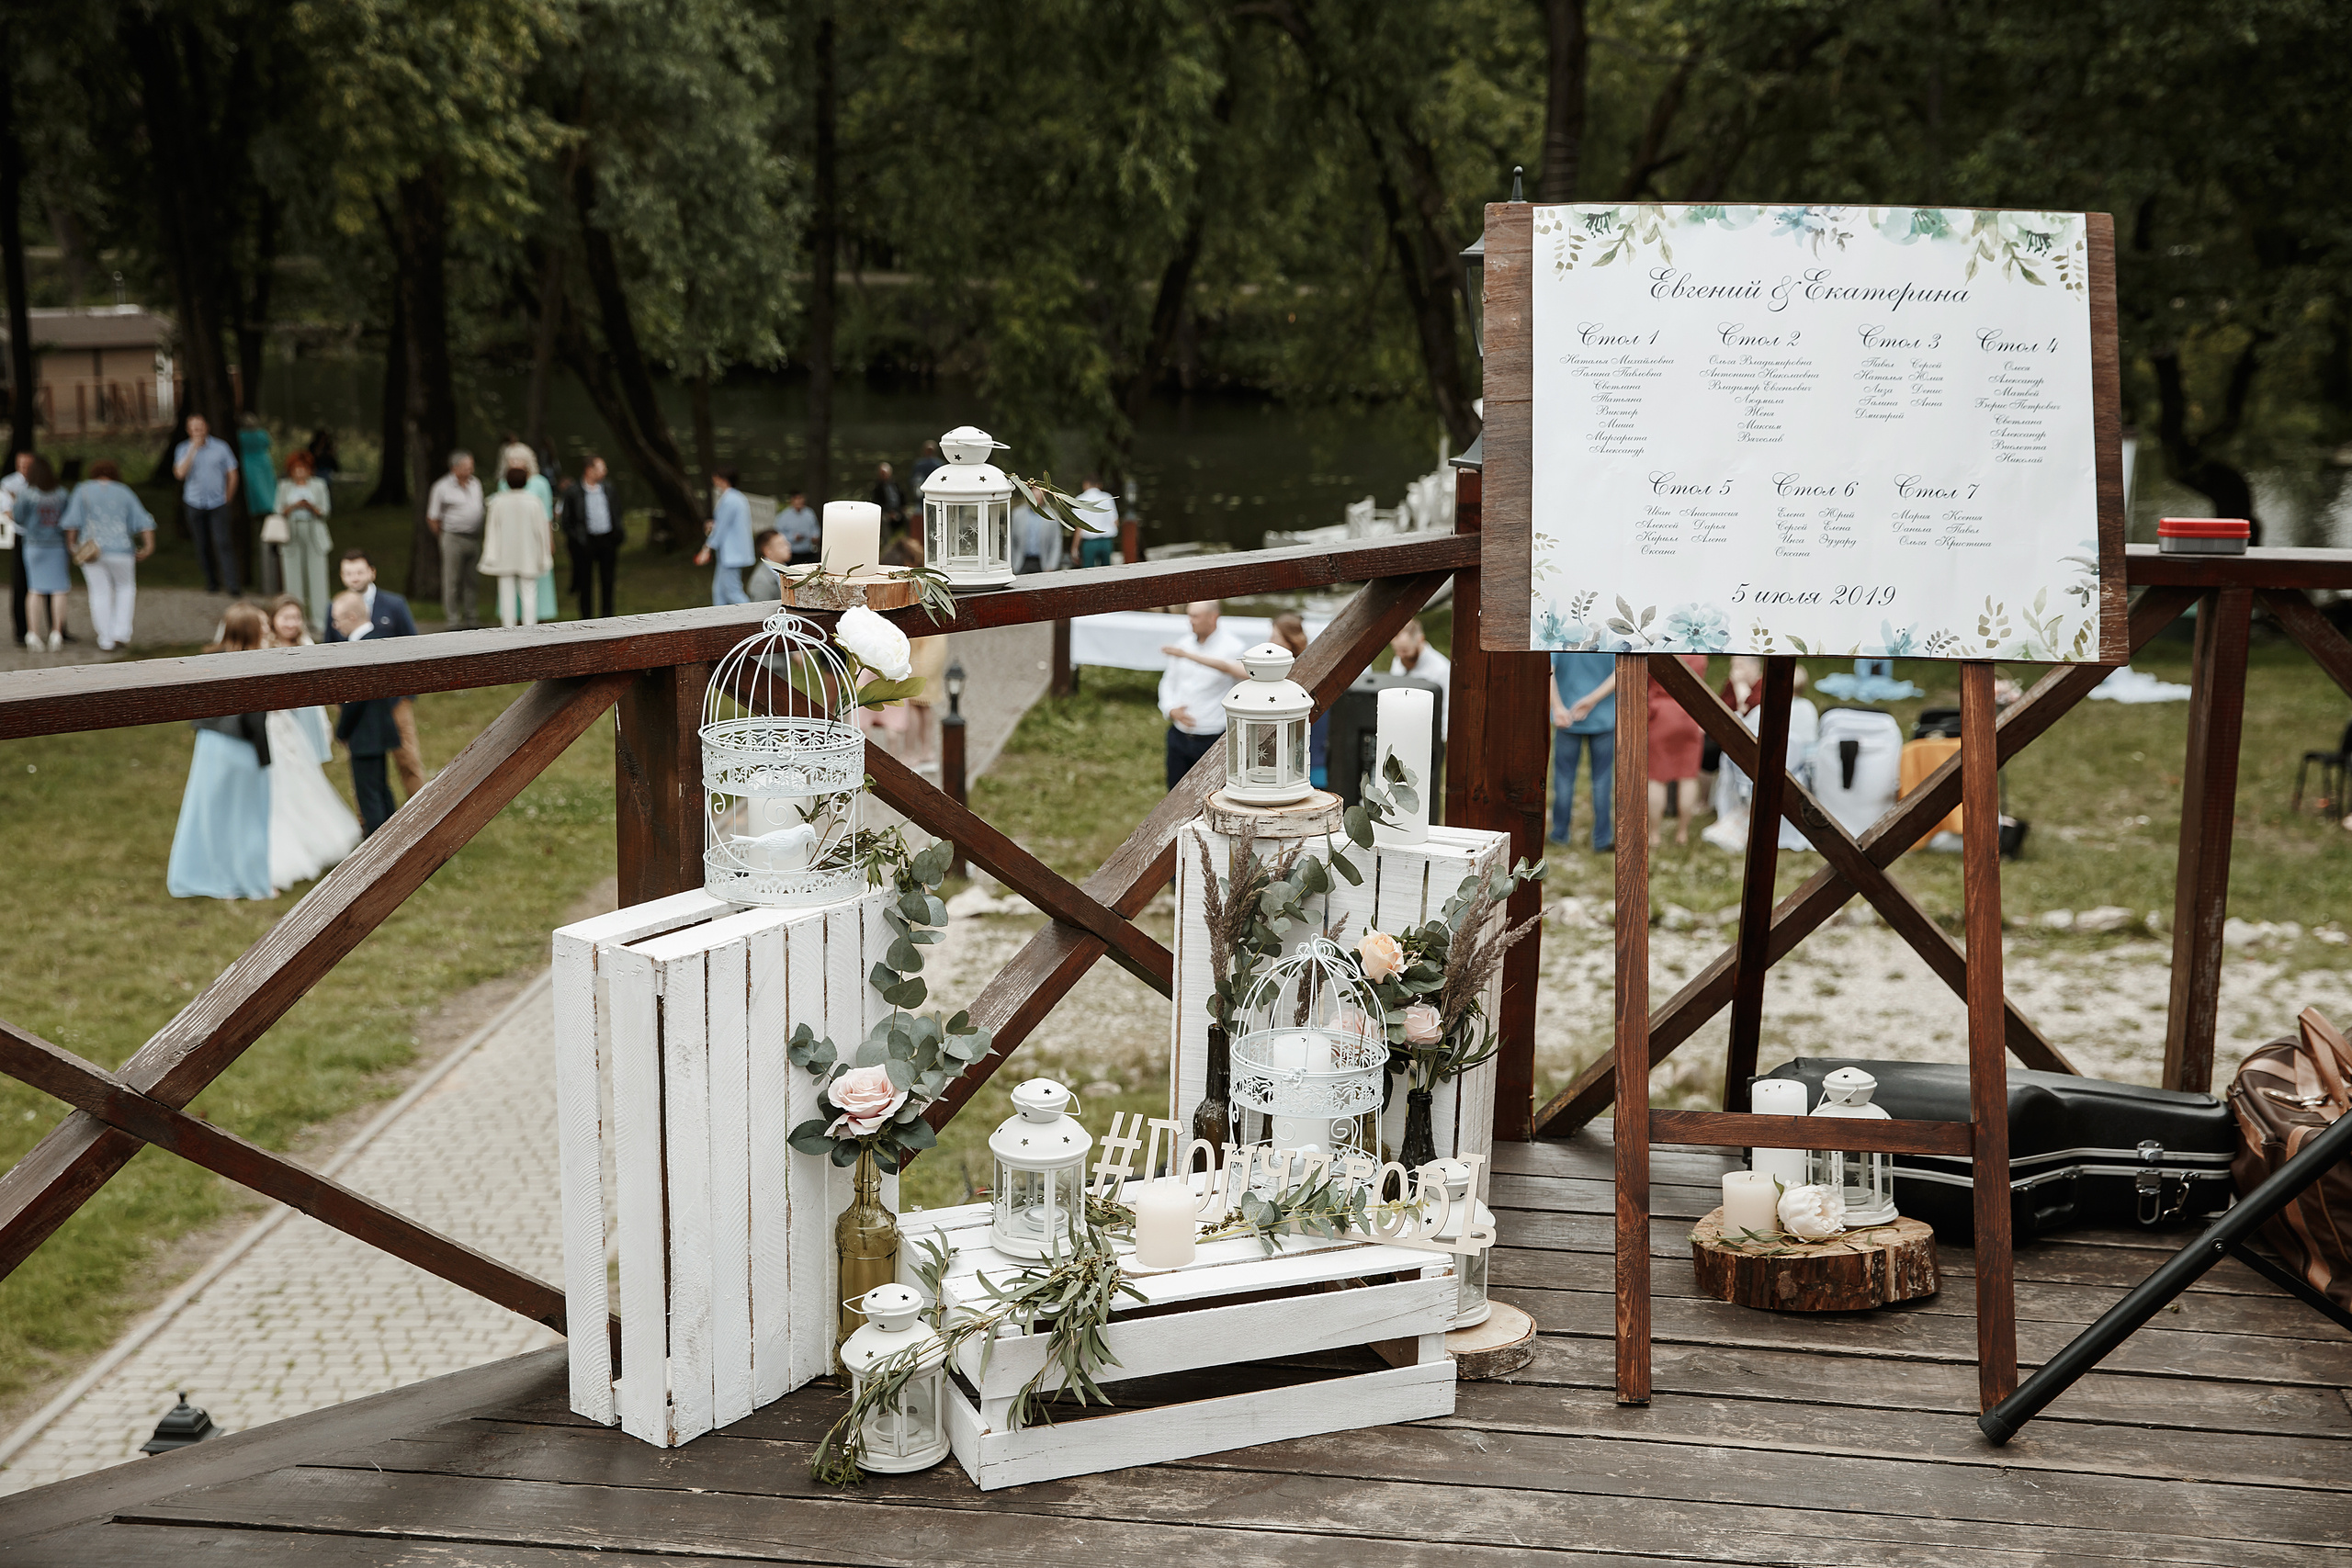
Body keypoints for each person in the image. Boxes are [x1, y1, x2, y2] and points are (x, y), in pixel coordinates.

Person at [166, 602, 275, 899]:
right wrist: (265, 758)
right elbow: (255, 718)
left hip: (210, 745)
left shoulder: (207, 659)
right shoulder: (256, 664)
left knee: (208, 812)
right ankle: (252, 882)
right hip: (241, 748)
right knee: (247, 817)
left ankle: (202, 875)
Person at [264, 595, 362, 886]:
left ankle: (318, 835)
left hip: (306, 715)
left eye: (296, 617)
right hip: (281, 722)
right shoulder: (266, 648)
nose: (292, 624)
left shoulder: (307, 645)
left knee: (311, 773)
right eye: (286, 618)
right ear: (273, 620)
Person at [324, 548, 424, 801]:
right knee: (363, 768)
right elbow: (329, 652)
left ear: (372, 572)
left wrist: (405, 692)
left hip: (393, 700)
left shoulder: (394, 605)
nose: (354, 578)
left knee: (408, 759)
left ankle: (423, 813)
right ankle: (368, 821)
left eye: (359, 571)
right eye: (348, 573)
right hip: (356, 704)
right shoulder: (334, 608)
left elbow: (413, 647)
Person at [60, 459, 155, 653]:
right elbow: (144, 520)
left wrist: (72, 546)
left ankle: (106, 638)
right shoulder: (124, 491)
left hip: (92, 551)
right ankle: (121, 632)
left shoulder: (82, 490)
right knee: (126, 588)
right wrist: (148, 546)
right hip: (122, 549)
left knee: (99, 592)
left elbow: (71, 522)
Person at [331, 591, 404, 836]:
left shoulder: (360, 648)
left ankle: (377, 843)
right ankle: (393, 835)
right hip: (382, 728)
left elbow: (356, 699)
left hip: (364, 732)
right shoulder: (380, 639)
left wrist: (342, 731)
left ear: (351, 617)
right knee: (382, 787)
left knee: (368, 793)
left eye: (337, 620)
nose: (335, 625)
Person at [1158, 599, 1250, 789]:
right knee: (1175, 791)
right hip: (1179, 735)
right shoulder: (1183, 644)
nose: (1190, 620)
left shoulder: (1233, 647)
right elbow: (1168, 681)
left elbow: (1243, 687)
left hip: (1213, 738)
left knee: (1210, 794)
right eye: (1189, 615)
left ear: (1213, 617)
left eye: (1195, 616)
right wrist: (1170, 709)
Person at [1549, 650, 1616, 850]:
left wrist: (1557, 707)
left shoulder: (1561, 630)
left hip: (1566, 717)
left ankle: (1560, 834)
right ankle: (1603, 838)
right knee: (1602, 780)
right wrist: (1592, 700)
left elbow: (1548, 671)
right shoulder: (1609, 631)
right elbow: (1619, 673)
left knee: (1563, 778)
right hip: (1603, 716)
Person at [175, 412, 243, 594]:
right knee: (202, 544)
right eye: (194, 428)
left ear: (207, 427)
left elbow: (233, 472)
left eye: (200, 427)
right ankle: (212, 582)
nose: (198, 431)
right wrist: (192, 450)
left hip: (217, 503)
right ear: (189, 430)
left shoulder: (221, 447)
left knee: (223, 542)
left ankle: (233, 585)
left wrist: (228, 496)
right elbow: (180, 473)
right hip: (194, 502)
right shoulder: (183, 449)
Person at [1648, 652, 1711, 847]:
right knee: (1688, 775)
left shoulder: (1659, 649)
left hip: (1661, 712)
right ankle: (1682, 833)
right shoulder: (1699, 652)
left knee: (1656, 777)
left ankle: (1654, 835)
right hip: (1690, 712)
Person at [481, 465, 554, 626]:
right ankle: (530, 629)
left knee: (506, 593)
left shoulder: (498, 501)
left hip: (505, 554)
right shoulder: (534, 502)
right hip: (528, 553)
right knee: (529, 592)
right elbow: (541, 532)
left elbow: (492, 530)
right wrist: (544, 554)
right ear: (526, 481)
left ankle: (508, 628)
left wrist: (490, 553)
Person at [497, 436, 559, 621]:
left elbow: (546, 516)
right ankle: (510, 621)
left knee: (531, 582)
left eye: (518, 460)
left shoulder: (540, 484)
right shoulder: (503, 484)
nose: (514, 464)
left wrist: (549, 540)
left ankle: (531, 622)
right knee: (509, 584)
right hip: (509, 540)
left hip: (531, 539)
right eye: (511, 461)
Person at [275, 449, 334, 633]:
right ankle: (296, 620)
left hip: (314, 530)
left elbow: (325, 510)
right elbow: (277, 509)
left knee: (318, 577)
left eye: (304, 468)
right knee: (292, 578)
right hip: (291, 532)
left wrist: (310, 506)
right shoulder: (284, 486)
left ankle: (320, 620)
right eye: (296, 468)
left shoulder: (318, 485)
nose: (300, 472)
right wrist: (293, 506)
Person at [15, 457, 71, 652]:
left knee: (35, 589)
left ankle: (33, 633)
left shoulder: (27, 493)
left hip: (34, 545)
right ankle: (56, 632)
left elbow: (19, 518)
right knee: (59, 589)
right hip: (56, 544)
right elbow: (68, 519)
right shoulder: (62, 493)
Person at [425, 449, 485, 628]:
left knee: (471, 579)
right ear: (455, 468)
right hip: (453, 537)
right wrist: (443, 536)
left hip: (474, 537)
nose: (470, 470)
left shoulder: (476, 484)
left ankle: (471, 617)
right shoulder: (441, 487)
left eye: (471, 466)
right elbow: (433, 517)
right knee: (452, 580)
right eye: (467, 466)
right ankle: (453, 619)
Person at [558, 453, 621, 618]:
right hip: (585, 542)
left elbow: (616, 512)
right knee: (585, 582)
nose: (605, 471)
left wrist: (617, 533)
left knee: (608, 580)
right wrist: (576, 538)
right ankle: (586, 618)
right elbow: (567, 520)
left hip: (607, 540)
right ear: (589, 470)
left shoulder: (608, 488)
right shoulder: (573, 492)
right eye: (601, 468)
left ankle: (608, 617)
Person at [1272, 611, 1330, 787]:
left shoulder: (1305, 675)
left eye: (1274, 637)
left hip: (1311, 757)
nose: (1270, 642)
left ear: (1289, 640)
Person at [697, 467, 752, 604]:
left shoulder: (730, 500)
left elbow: (722, 528)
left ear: (723, 480)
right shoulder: (737, 498)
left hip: (732, 553)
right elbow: (727, 524)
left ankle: (754, 617)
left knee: (733, 592)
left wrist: (706, 548)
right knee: (719, 591)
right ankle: (721, 621)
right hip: (730, 553)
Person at [1390, 617, 1452, 738]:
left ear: (1420, 640)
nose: (1401, 656)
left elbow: (1447, 711)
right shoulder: (1398, 660)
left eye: (1405, 651)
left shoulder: (1441, 669)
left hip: (1427, 732)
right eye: (1397, 651)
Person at [4, 450, 30, 647]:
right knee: (20, 583)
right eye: (21, 465)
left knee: (48, 586)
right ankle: (21, 631)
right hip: (21, 535)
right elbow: (8, 512)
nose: (25, 469)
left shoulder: (40, 482)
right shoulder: (8, 484)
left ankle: (58, 629)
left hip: (39, 536)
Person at [1076, 475, 1119, 569]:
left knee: (1088, 571)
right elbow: (1115, 521)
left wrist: (1075, 547)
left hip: (1089, 542)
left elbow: (1079, 526)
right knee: (1107, 571)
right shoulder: (1107, 497)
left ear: (1085, 484)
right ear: (1099, 485)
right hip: (1106, 541)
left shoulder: (1080, 499)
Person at [777, 490, 820, 564]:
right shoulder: (784, 516)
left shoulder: (809, 513)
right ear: (792, 500)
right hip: (793, 553)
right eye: (796, 499)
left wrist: (815, 536)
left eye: (800, 498)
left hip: (808, 552)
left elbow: (815, 528)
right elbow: (778, 534)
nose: (799, 501)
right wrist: (792, 537)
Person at [747, 526, 790, 599]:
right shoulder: (761, 581)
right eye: (781, 545)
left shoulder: (785, 568)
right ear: (768, 551)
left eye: (787, 543)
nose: (788, 547)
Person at [872, 461, 905, 529]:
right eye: (882, 474)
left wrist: (903, 508)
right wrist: (889, 513)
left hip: (898, 510)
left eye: (885, 474)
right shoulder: (877, 488)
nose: (884, 476)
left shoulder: (895, 484)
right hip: (886, 512)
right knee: (884, 520)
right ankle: (887, 539)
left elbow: (902, 497)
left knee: (909, 516)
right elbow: (877, 502)